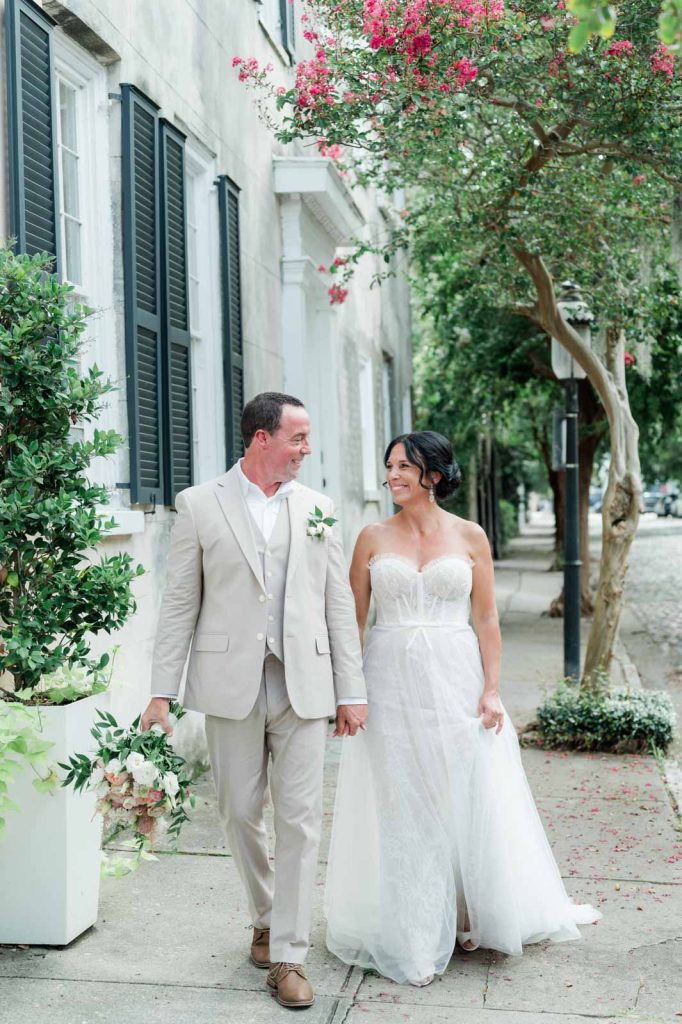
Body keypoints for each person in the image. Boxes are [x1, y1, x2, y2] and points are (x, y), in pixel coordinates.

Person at [324, 431, 600, 987]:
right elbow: (352, 620)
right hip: (388, 680)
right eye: (389, 466)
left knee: (463, 793)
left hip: (456, 677)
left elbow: (487, 618)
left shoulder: (471, 536)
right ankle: (416, 933)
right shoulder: (371, 537)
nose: (393, 475)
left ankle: (470, 910)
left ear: (433, 474)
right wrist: (348, 691)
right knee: (403, 802)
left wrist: (492, 689)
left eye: (405, 466)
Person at [141, 392, 367, 1010]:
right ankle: (265, 916)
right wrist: (161, 693)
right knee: (239, 813)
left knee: (300, 819)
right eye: (298, 438)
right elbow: (179, 604)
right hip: (228, 683)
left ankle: (290, 954)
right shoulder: (199, 504)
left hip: (304, 684)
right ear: (261, 438)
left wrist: (351, 689)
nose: (307, 449)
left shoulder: (319, 508)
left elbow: (337, 604)